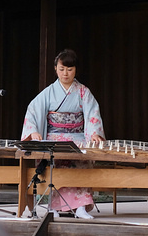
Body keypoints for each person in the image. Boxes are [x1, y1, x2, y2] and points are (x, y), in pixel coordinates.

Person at [21, 49, 105, 219]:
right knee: (55, 163)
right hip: (54, 137)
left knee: (82, 160)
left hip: (78, 138)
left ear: (75, 70)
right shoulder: (49, 92)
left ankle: (80, 206)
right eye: (61, 69)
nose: (65, 73)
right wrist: (34, 131)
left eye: (69, 69)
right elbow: (32, 111)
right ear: (55, 69)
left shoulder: (83, 92)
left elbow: (92, 114)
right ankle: (54, 206)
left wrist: (95, 133)